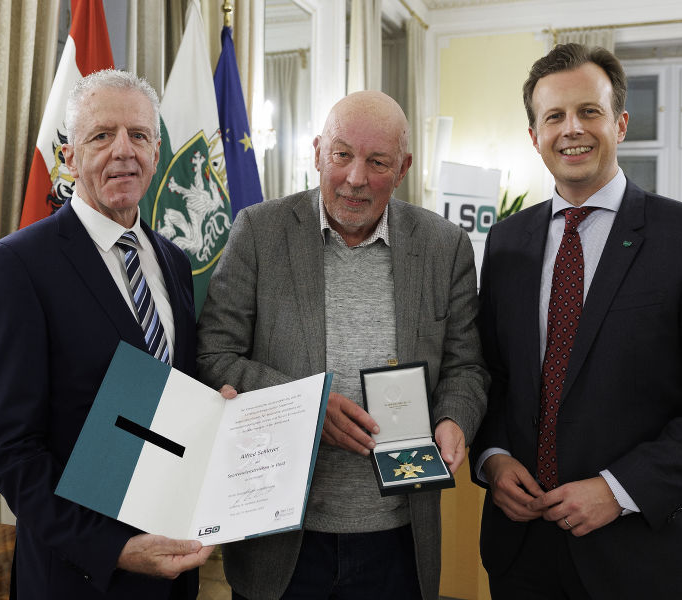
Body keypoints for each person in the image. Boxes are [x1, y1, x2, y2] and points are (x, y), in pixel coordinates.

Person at [471, 43, 682, 600]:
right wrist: (493, 458)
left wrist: (619, 489)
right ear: (534, 136)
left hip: (645, 557)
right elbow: (491, 374)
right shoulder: (509, 240)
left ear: (621, 123)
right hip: (523, 553)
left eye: (590, 111)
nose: (572, 129)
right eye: (553, 116)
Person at [196, 90, 488, 600]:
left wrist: (454, 419)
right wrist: (306, 406)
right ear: (316, 152)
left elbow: (466, 367)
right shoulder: (259, 232)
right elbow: (214, 357)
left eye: (377, 162)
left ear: (402, 169)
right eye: (342, 155)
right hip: (282, 537)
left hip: (399, 539)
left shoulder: (444, 247)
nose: (356, 178)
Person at [0, 70, 220, 599]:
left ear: (157, 151)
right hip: (78, 575)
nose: (123, 151)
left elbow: (172, 396)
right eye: (102, 135)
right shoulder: (18, 265)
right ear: (69, 156)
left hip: (175, 566)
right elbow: (9, 449)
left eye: (139, 135)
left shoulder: (174, 261)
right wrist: (113, 548)